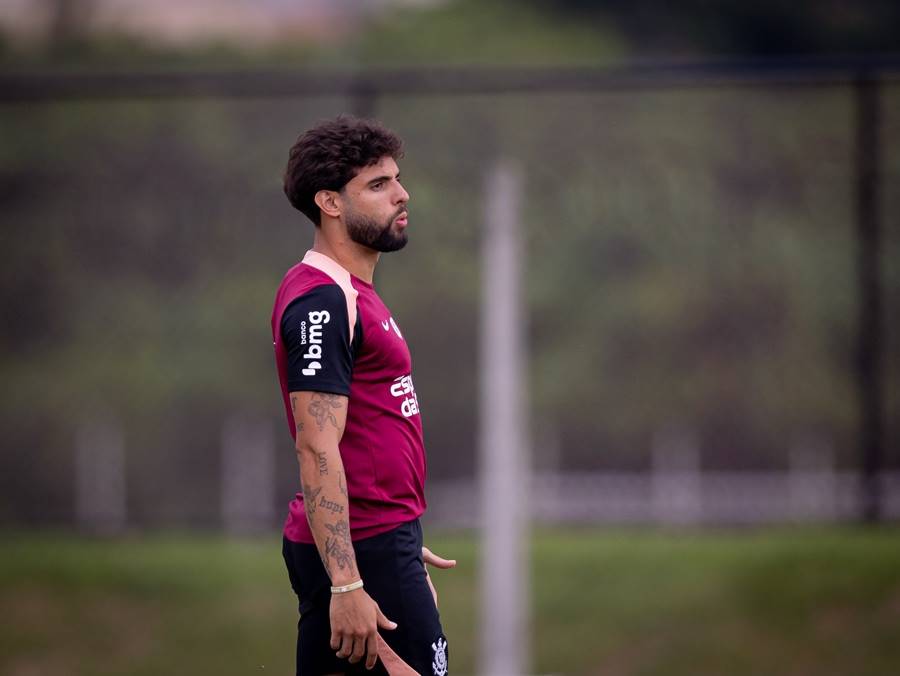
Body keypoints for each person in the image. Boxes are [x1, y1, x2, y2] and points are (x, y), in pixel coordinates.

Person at [273, 115, 454, 676]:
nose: (402, 195)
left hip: (378, 538)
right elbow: (316, 446)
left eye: (396, 179)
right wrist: (351, 578)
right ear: (329, 202)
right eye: (377, 185)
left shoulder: (354, 293)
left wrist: (398, 534)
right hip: (364, 550)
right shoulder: (324, 303)